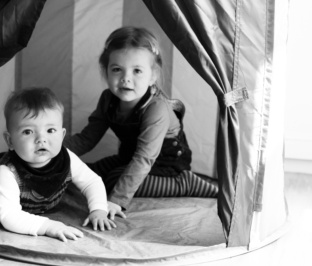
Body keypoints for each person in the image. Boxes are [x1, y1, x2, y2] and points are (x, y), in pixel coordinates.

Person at [65, 26, 218, 211]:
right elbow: (86, 139)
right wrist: (54, 151)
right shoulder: (108, 100)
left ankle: (187, 183)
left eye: (137, 71)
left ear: (152, 76)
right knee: (86, 174)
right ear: (106, 72)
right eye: (117, 70)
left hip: (165, 165)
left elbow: (144, 158)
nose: (125, 78)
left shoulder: (156, 107)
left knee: (114, 180)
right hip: (129, 158)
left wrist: (116, 200)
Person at [0, 87, 125, 242]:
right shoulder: (6, 172)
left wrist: (99, 209)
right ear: (10, 140)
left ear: (62, 136)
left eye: (50, 131)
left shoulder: (66, 157)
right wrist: (48, 226)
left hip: (27, 166)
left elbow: (92, 181)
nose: (41, 139)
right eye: (28, 131)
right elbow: (9, 216)